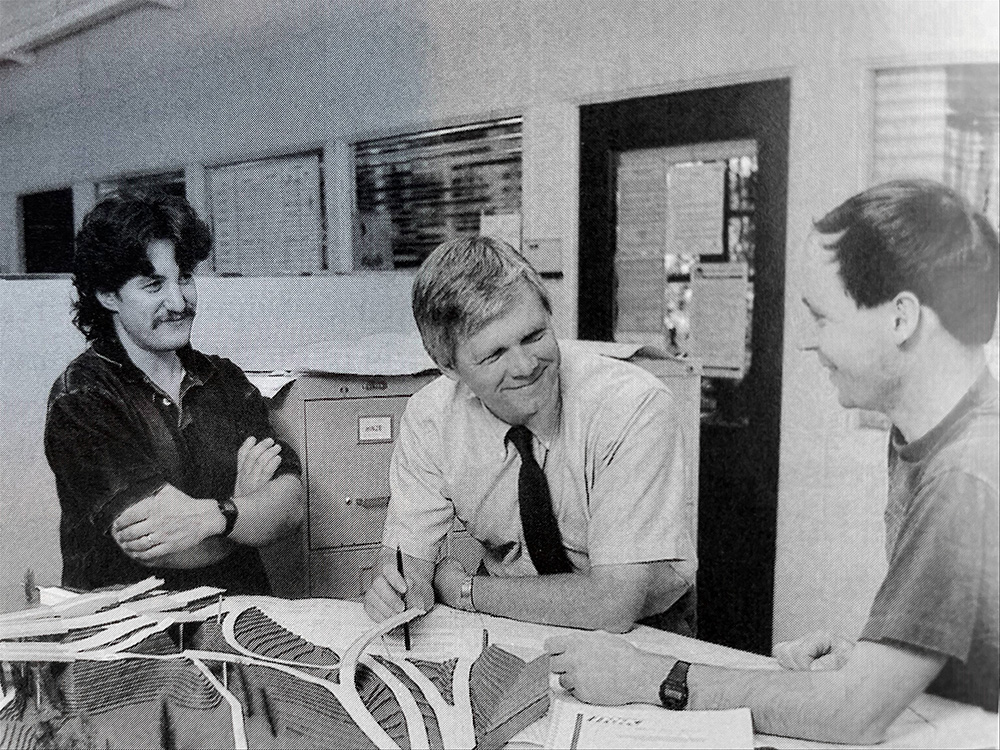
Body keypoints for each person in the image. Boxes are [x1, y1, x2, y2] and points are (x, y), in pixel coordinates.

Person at [546, 179, 999, 743]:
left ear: (901, 318)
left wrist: (649, 675)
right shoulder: (934, 428)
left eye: (824, 318)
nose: (813, 345)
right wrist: (874, 658)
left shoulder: (968, 471)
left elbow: (850, 715)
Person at [364, 236, 695, 633]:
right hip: (505, 616)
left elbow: (613, 604)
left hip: (642, 622)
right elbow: (404, 563)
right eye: (494, 355)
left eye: (534, 336)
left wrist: (464, 590)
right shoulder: (431, 418)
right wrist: (397, 589)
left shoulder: (632, 405)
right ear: (448, 366)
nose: (524, 366)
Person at [44, 191, 304, 595]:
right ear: (107, 295)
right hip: (134, 627)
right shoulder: (82, 397)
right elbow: (161, 548)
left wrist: (215, 516)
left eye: (184, 278)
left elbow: (290, 510)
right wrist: (246, 513)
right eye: (153, 285)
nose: (179, 301)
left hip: (238, 610)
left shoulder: (224, 378)